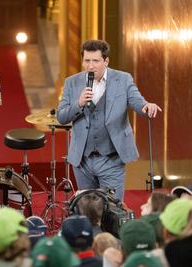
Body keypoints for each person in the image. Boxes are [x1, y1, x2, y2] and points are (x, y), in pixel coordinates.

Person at [57, 40, 161, 200]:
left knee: (112, 210)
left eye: (96, 61)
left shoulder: (123, 79)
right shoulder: (72, 83)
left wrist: (146, 106)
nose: (90, 66)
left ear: (106, 61)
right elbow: (62, 116)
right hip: (82, 161)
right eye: (87, 61)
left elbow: (137, 101)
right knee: (87, 210)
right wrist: (79, 103)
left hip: (111, 159)